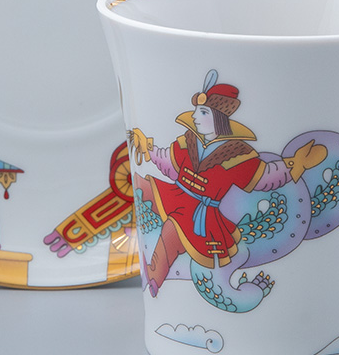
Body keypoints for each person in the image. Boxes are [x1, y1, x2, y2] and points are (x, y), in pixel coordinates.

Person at [129, 71, 325, 296]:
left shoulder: (237, 156)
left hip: (198, 214)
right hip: (175, 194)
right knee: (141, 184)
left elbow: (265, 176)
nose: (195, 117)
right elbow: (169, 163)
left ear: (218, 118)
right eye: (196, 111)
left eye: (203, 112)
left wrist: (296, 164)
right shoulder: (187, 142)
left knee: (171, 231)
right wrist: (148, 149)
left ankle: (155, 278)